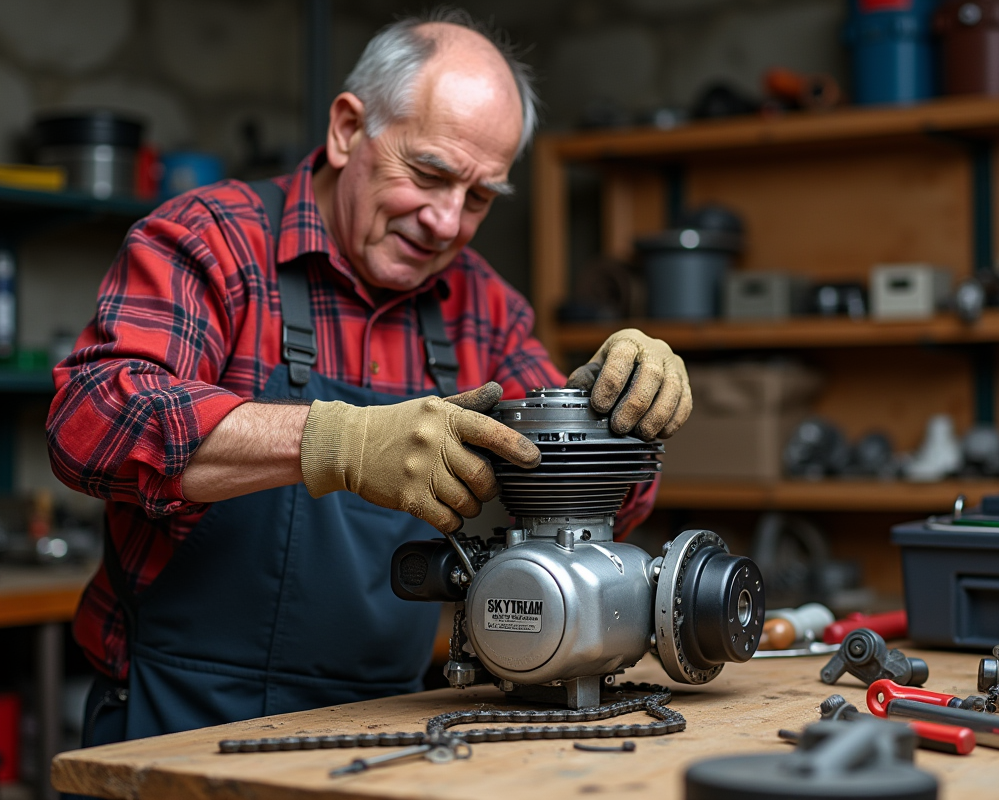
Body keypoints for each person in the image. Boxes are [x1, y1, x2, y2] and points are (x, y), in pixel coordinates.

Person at [46, 9, 691, 745]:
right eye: (430, 174)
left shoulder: (480, 303)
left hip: (385, 725)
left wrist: (617, 415)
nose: (447, 221)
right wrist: (337, 442)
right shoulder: (211, 242)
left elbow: (609, 510)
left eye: (478, 197)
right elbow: (89, 423)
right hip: (175, 713)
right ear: (349, 129)